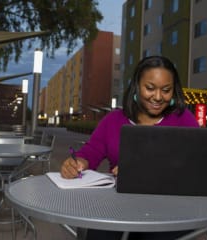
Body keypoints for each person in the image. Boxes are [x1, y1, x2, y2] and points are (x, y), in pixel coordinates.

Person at [60, 55, 199, 240]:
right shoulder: (113, 120)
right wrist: (77, 162)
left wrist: (149, 170)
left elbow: (197, 165)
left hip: (169, 208)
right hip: (119, 205)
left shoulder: (184, 119)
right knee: (98, 234)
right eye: (150, 88)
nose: (158, 97)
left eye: (166, 90)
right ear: (136, 86)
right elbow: (91, 152)